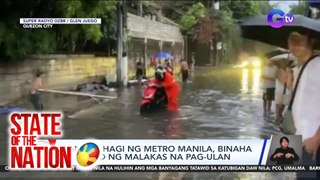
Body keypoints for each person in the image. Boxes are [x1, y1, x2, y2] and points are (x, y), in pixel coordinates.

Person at [280, 31, 320, 179]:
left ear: (312, 41)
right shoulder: (297, 68)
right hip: (299, 138)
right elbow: (306, 100)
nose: (295, 44)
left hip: (313, 142)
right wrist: (291, 85)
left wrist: (317, 138)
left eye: (300, 39)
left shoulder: (318, 65)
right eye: (291, 39)